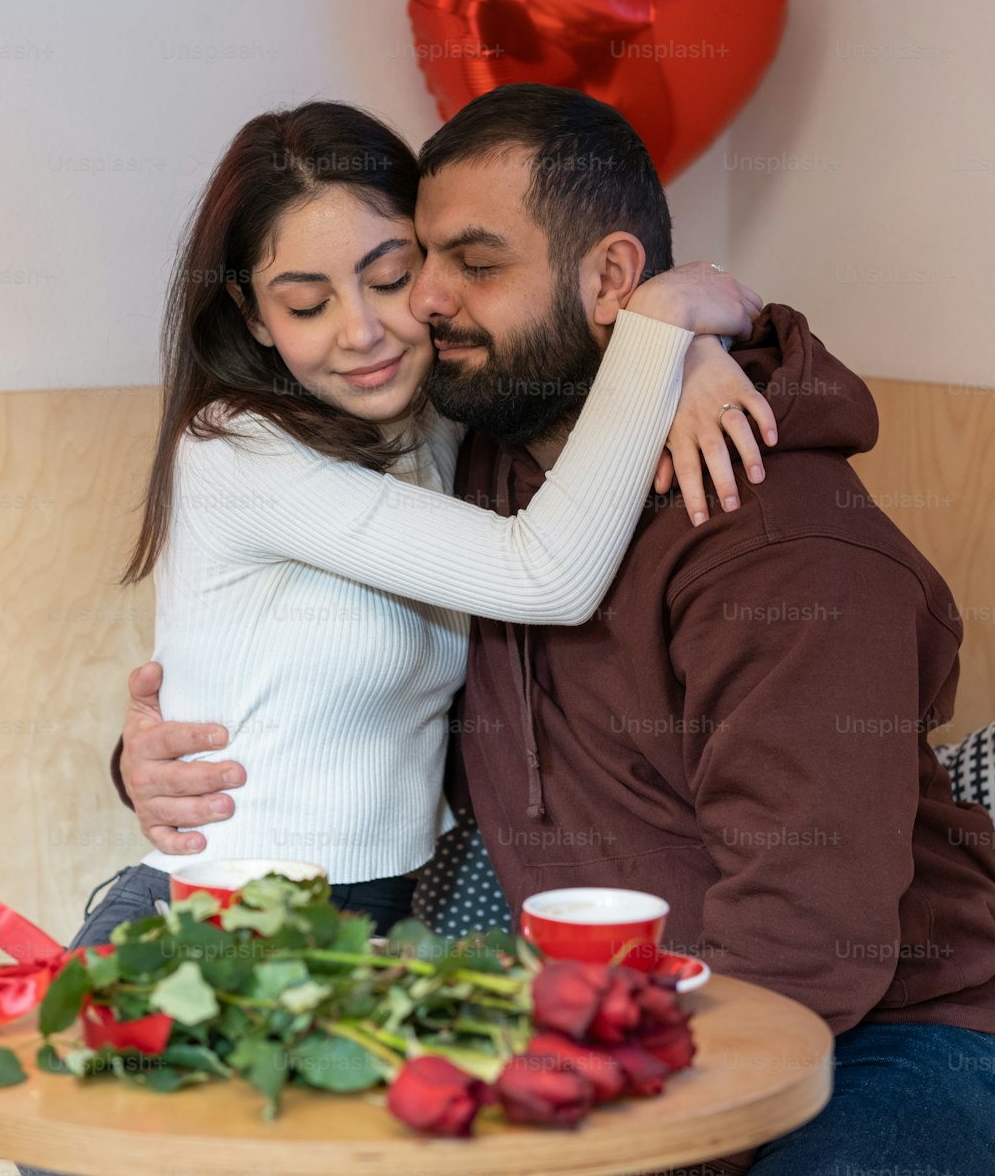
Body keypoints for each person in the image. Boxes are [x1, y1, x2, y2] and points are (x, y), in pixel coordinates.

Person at [123, 85, 995, 1175]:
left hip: (886, 1029)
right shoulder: (469, 458)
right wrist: (149, 758)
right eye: (419, 265)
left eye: (464, 267)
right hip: (587, 1011)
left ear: (612, 282)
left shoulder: (779, 545)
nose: (419, 307)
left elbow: (804, 942)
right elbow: (333, 681)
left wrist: (688, 343)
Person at [74, 98, 765, 944]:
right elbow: (543, 575)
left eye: (391, 278)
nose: (361, 332)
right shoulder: (235, 450)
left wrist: (692, 351)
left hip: (379, 917)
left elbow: (578, 363)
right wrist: (664, 328)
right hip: (232, 922)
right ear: (254, 316)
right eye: (304, 303)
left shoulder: (442, 420)